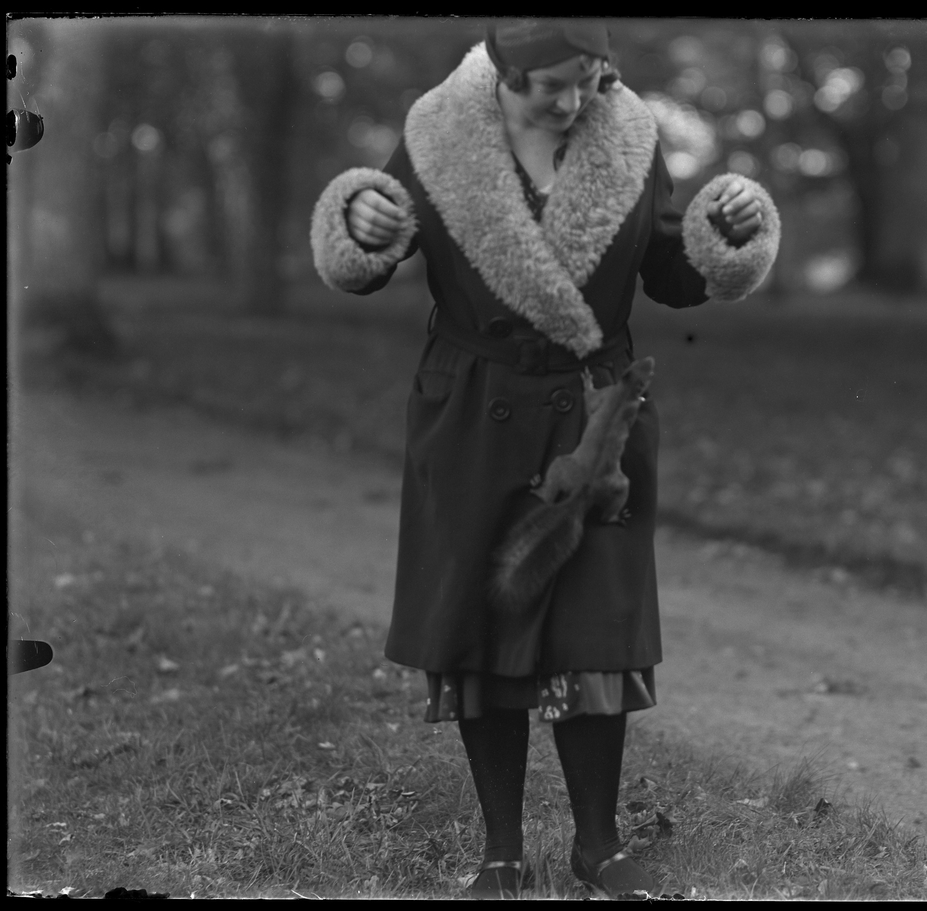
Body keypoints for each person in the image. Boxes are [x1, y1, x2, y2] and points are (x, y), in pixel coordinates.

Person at [310, 20, 779, 899]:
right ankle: (500, 851)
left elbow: (671, 269)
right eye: (549, 86)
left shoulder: (629, 135)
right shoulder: (436, 134)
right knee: (482, 627)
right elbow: (368, 257)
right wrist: (359, 217)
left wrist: (727, 227)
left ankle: (597, 846)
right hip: (473, 418)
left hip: (594, 420)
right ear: (502, 69)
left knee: (594, 631)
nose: (572, 103)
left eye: (590, 81)